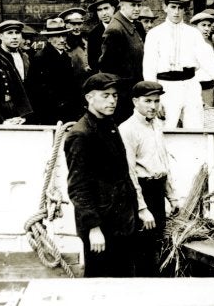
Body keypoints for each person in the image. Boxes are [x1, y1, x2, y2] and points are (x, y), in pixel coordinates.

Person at [65, 72, 138, 277]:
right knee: (100, 284)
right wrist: (93, 228)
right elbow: (78, 187)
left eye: (114, 96)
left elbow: (122, 174)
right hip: (101, 227)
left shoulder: (109, 125)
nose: (112, 100)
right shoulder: (81, 134)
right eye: (105, 96)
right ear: (89, 98)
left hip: (121, 221)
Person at [119, 81, 179, 277]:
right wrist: (142, 208)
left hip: (157, 190)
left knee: (156, 247)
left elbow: (163, 162)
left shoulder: (156, 125)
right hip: (141, 192)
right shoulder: (127, 129)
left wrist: (172, 196)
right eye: (147, 101)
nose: (153, 106)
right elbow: (129, 172)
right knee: (141, 252)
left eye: (156, 101)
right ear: (135, 101)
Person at [143, 0, 214, 128]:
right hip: (166, 87)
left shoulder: (193, 33)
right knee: (165, 128)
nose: (176, 12)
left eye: (180, 8)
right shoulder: (155, 34)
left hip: (190, 85)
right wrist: (154, 97)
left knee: (195, 127)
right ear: (165, 7)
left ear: (185, 10)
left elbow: (205, 57)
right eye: (173, 7)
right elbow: (149, 66)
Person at [99, 0, 146, 123]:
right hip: (124, 96)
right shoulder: (116, 29)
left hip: (133, 91)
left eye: (139, 5)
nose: (137, 9)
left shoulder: (133, 24)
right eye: (133, 5)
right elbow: (107, 67)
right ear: (122, 6)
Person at [26, 18, 81, 125]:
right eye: (57, 36)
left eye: (64, 36)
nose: (62, 40)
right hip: (50, 113)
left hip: (67, 111)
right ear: (49, 38)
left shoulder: (65, 56)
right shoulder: (41, 58)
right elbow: (36, 89)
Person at [190, 11, 214, 108]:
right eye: (203, 25)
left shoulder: (208, 46)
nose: (207, 29)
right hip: (195, 89)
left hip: (209, 88)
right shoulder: (189, 46)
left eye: (208, 25)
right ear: (195, 27)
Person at [59, 7, 92, 90]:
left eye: (79, 24)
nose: (77, 27)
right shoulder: (61, 45)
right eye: (73, 24)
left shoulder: (86, 43)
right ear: (66, 25)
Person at [87, 0, 119, 71]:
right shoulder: (93, 35)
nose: (104, 13)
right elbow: (92, 63)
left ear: (113, 8)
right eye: (99, 10)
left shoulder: (123, 27)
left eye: (106, 8)